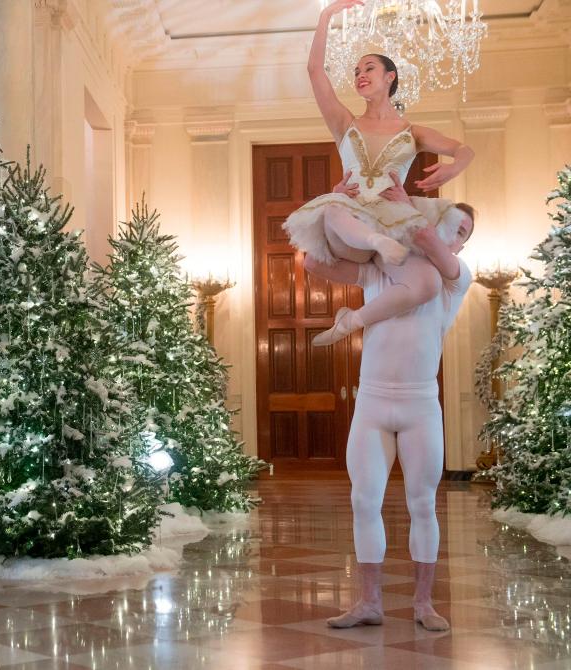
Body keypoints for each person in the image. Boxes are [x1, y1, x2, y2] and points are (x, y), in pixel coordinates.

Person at [304, 174, 475, 632]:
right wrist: (333, 203)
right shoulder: (379, 270)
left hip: (421, 406)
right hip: (373, 402)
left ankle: (423, 604)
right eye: (454, 224)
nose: (455, 235)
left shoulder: (455, 278)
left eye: (464, 232)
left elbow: (426, 240)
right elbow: (311, 262)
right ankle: (369, 602)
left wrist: (409, 210)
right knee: (364, 501)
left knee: (422, 503)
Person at [284, 0, 475, 347]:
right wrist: (326, 15)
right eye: (357, 70)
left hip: (394, 221)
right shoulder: (345, 123)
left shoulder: (412, 131)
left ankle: (350, 321)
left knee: (425, 285)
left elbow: (465, 149)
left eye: (369, 68)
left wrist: (453, 168)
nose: (360, 74)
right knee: (330, 212)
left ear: (390, 78)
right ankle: (374, 243)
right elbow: (315, 71)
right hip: (353, 226)